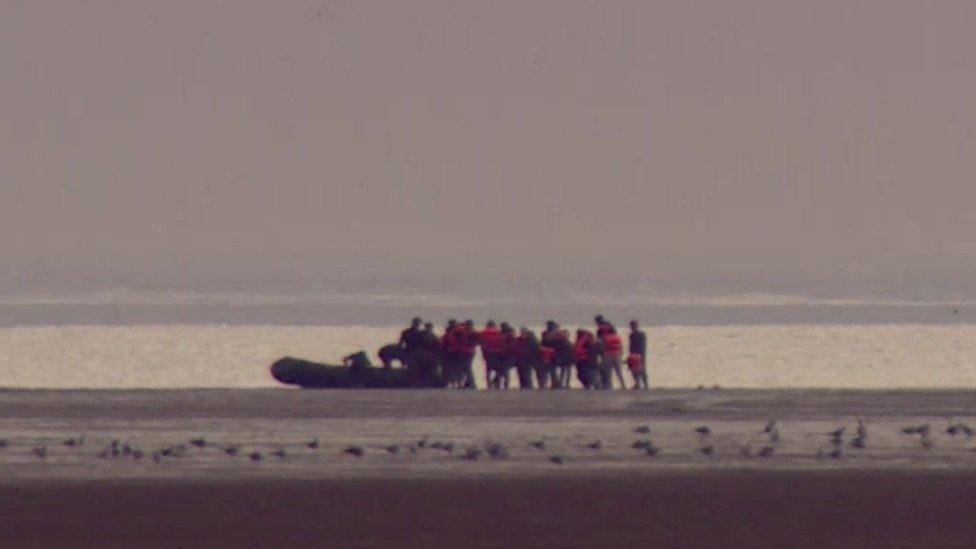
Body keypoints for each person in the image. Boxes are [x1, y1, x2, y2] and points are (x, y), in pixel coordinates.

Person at [542, 320, 573, 388]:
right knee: (563, 372)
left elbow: (546, 346)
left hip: (552, 357)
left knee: (551, 371)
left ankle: (554, 383)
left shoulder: (546, 335)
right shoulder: (562, 341)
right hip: (560, 357)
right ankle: (561, 384)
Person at [478, 320, 504, 389]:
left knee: (488, 369)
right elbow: (502, 342)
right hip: (497, 353)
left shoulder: (482, 333)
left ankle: (488, 384)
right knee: (499, 369)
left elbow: (480, 342)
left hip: (488, 353)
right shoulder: (499, 333)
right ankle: (497, 382)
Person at [599, 324, 626, 390]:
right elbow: (621, 347)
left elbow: (603, 347)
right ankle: (623, 386)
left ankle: (609, 387)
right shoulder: (618, 337)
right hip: (617, 355)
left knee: (608, 372)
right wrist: (621, 354)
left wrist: (602, 355)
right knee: (619, 372)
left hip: (608, 355)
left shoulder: (605, 337)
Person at [457, 320, 479, 389]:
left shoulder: (462, 332)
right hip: (469, 352)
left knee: (465, 368)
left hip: (465, 352)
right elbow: (477, 342)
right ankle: (470, 383)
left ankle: (469, 383)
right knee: (466, 368)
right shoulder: (473, 333)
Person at [628, 320, 649, 390]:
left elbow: (631, 346)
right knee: (641, 369)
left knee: (635, 370)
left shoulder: (633, 335)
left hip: (635, 354)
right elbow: (643, 345)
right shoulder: (642, 334)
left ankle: (638, 384)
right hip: (641, 354)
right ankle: (645, 385)